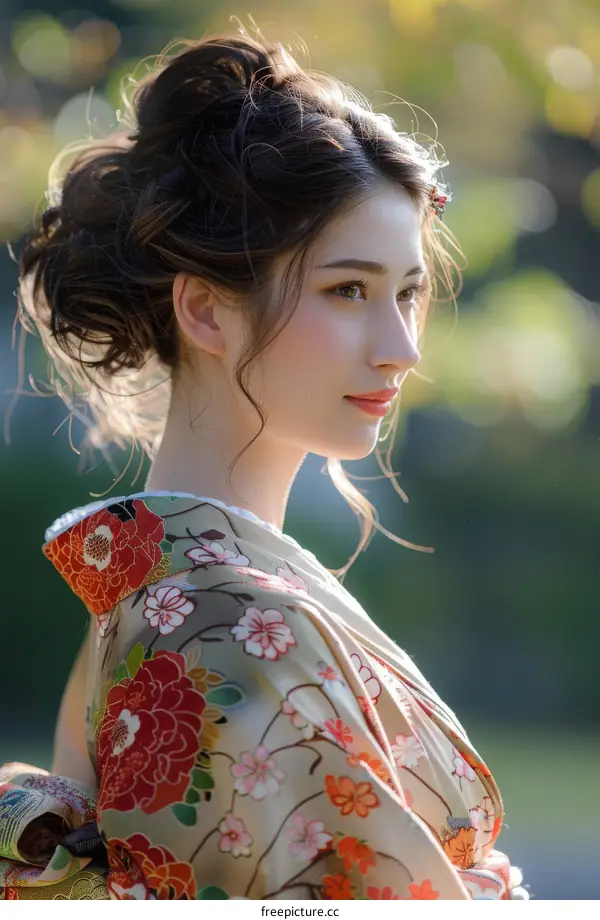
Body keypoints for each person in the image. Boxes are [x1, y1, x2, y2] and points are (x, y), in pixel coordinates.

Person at [0, 26, 529, 900]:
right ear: (206, 309)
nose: (400, 347)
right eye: (347, 290)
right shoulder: (222, 618)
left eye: (407, 294)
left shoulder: (172, 595)